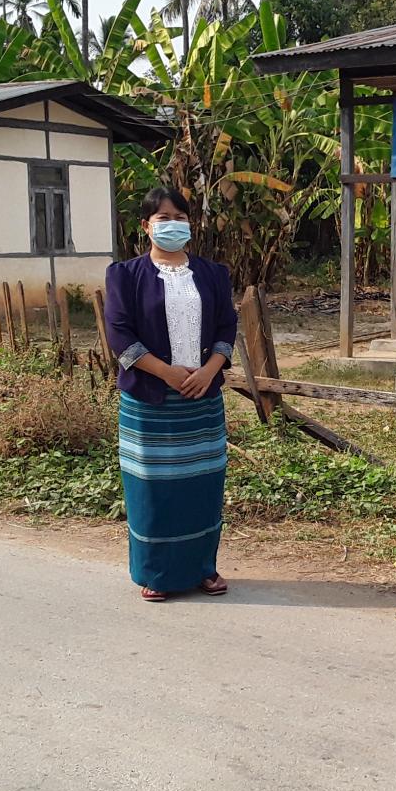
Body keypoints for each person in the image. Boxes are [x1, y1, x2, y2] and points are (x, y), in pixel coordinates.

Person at [104, 186, 238, 602]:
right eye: (163, 218)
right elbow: (119, 334)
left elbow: (226, 326)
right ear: (146, 226)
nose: (173, 225)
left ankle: (203, 569)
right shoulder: (124, 275)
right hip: (150, 399)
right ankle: (156, 573)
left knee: (202, 485)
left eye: (180, 217)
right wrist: (166, 373)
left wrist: (210, 371)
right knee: (153, 488)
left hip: (202, 398)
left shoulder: (214, 274)